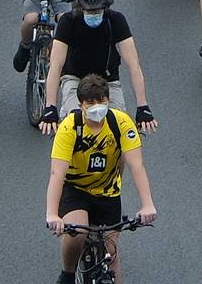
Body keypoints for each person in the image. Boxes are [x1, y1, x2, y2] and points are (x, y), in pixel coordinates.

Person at [47, 74, 156, 275]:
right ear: (80, 105)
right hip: (76, 190)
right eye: (90, 102)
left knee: (111, 255)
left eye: (101, 101)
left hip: (107, 191)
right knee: (77, 233)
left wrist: (147, 204)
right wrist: (52, 214)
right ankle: (68, 274)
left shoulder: (121, 123)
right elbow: (57, 173)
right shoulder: (70, 127)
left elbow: (137, 165)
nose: (96, 106)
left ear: (108, 100)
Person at [34, 0, 156, 130]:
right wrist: (50, 107)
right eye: (89, 11)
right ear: (80, 7)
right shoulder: (68, 21)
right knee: (75, 122)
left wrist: (142, 106)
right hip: (75, 78)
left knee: (119, 125)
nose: (93, 14)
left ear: (105, 7)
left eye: (97, 11)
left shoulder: (116, 20)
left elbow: (134, 65)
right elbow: (55, 66)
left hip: (107, 80)